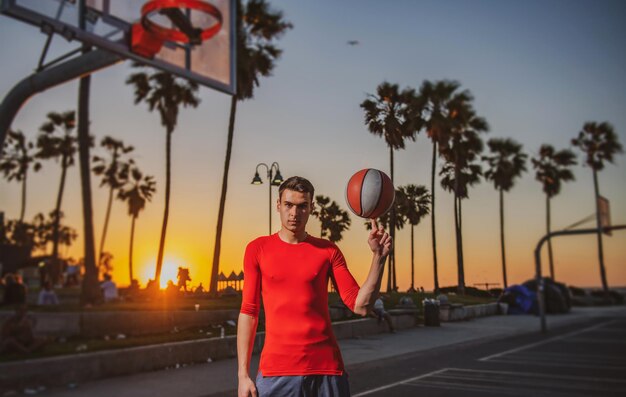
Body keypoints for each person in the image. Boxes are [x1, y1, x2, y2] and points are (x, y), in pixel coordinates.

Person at [237, 176, 392, 397]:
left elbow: (361, 305)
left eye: (302, 206)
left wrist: (378, 257)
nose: (294, 213)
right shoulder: (257, 249)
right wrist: (243, 375)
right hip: (276, 371)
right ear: (278, 205)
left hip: (326, 370)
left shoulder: (328, 251)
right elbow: (249, 312)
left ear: (312, 208)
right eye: (288, 205)